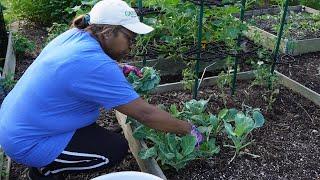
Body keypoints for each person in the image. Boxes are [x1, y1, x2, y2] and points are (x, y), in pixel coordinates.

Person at [0, 0, 203, 179]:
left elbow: (79, 69)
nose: (131, 46)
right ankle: (44, 171)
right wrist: (188, 129)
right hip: (27, 142)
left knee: (109, 136)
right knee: (114, 150)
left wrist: (121, 68)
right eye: (129, 38)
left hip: (17, 121)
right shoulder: (94, 64)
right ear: (107, 32)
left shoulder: (75, 35)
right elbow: (145, 114)